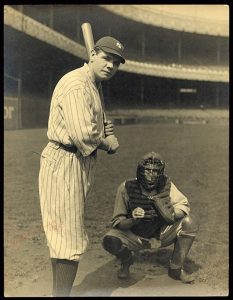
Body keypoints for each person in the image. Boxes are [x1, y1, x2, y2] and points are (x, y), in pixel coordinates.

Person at [38, 36, 126, 297]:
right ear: (93, 54)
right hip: (64, 161)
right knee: (69, 239)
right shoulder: (77, 84)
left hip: (74, 162)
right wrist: (107, 141)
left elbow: (90, 127)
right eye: (106, 58)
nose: (110, 65)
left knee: (63, 236)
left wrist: (102, 128)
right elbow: (82, 135)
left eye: (116, 63)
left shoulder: (92, 83)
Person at [102, 152, 199, 284]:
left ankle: (176, 268)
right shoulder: (126, 187)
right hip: (134, 236)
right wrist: (133, 219)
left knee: (190, 222)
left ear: (161, 172)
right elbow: (118, 223)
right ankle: (126, 261)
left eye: (155, 171)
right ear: (140, 170)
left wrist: (170, 213)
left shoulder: (166, 185)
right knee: (110, 240)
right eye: (147, 170)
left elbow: (184, 206)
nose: (151, 174)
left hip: (161, 234)